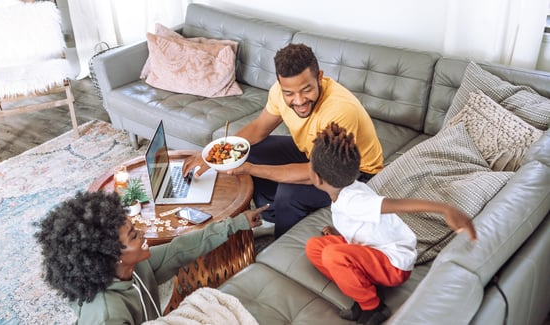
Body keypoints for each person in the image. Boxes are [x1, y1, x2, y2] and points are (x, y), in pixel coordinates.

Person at [183, 43, 384, 238]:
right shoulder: (278, 93)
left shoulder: (338, 110)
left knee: (289, 192)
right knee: (250, 149)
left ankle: (281, 238)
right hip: (312, 152)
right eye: (289, 93)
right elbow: (258, 129)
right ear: (281, 86)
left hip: (352, 172)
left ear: (319, 77)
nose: (299, 100)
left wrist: (251, 169)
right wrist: (214, 153)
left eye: (306, 90)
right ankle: (271, 217)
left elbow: (315, 172)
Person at [305, 122, 477, 325]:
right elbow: (360, 225)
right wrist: (338, 232)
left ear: (317, 178)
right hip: (372, 251)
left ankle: (372, 307)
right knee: (314, 247)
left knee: (332, 255)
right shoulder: (348, 190)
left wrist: (445, 208)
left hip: (393, 264)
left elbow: (397, 205)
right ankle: (362, 285)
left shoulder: (354, 201)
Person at [34, 190, 268, 324]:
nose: (144, 234)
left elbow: (180, 249)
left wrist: (237, 223)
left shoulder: (132, 268)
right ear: (113, 256)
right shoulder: (107, 314)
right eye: (134, 235)